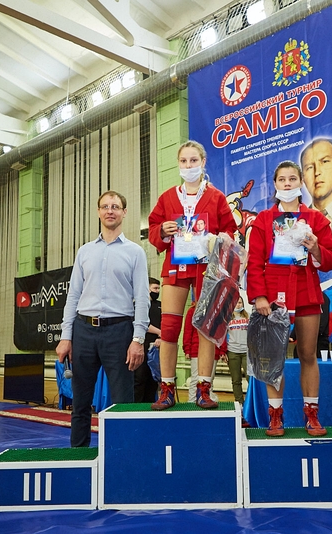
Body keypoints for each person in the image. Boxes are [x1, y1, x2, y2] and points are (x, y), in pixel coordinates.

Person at [247, 160, 332, 437]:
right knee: (273, 357)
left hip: (306, 292)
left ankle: (311, 414)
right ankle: (275, 415)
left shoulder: (316, 219)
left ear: (301, 183)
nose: (287, 184)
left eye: (292, 179)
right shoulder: (264, 219)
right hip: (273, 298)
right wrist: (259, 296)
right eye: (282, 180)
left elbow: (331, 260)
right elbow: (254, 262)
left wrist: (316, 248)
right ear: (275, 185)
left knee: (308, 355)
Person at [148, 140, 238, 409]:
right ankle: (166, 389)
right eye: (184, 161)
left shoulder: (217, 197)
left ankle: (204, 389)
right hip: (176, 267)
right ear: (178, 164)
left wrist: (221, 239)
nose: (188, 166)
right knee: (169, 328)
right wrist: (162, 231)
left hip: (206, 269)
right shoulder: (167, 197)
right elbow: (153, 229)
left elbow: (230, 231)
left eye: (193, 160)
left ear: (203, 162)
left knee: (206, 329)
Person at [57, 191, 150, 448]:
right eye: (105, 206)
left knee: (123, 403)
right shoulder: (84, 252)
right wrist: (66, 337)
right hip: (83, 331)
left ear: (124, 212)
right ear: (98, 212)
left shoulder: (135, 252)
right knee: (80, 403)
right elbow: (73, 296)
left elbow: (143, 298)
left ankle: (123, 456)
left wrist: (138, 339)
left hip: (119, 332)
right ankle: (78, 455)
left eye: (115, 206)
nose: (110, 210)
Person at [183, 299, 221, 403]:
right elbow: (187, 331)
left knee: (209, 380)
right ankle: (192, 402)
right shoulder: (192, 311)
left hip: (213, 351)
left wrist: (221, 350)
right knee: (196, 379)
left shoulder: (216, 310)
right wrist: (187, 349)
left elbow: (220, 330)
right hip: (196, 350)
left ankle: (207, 400)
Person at [135, 277, 162, 402]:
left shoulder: (161, 305)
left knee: (153, 379)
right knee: (140, 378)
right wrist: (159, 332)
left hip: (156, 347)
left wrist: (161, 337)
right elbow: (142, 323)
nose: (157, 291)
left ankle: (150, 405)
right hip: (142, 345)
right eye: (155, 288)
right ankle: (136, 407)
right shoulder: (139, 305)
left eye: (159, 288)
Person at [224, 296, 249, 404]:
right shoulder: (227, 318)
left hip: (246, 351)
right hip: (232, 351)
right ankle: (239, 402)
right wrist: (223, 352)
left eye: (240, 302)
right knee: (236, 379)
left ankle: (250, 401)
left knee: (250, 378)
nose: (238, 305)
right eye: (235, 303)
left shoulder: (248, 317)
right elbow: (222, 336)